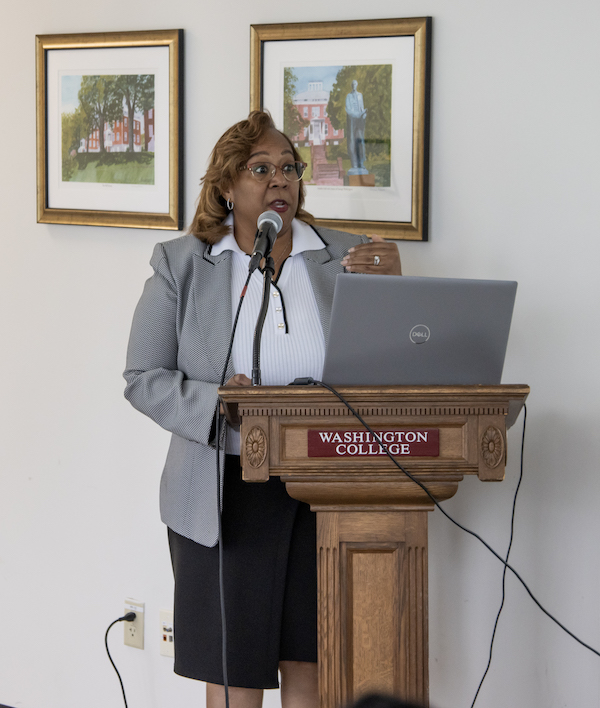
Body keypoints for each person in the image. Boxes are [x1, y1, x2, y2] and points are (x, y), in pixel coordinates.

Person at [123, 110, 401, 708]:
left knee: (313, 659)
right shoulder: (181, 265)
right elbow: (142, 378)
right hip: (224, 490)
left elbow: (392, 365)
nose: (281, 178)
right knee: (234, 672)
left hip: (327, 483)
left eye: (289, 167)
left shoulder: (348, 257)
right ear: (226, 186)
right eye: (261, 168)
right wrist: (219, 402)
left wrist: (395, 293)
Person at [345, 80, 368, 173]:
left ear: (357, 85)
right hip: (352, 121)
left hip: (359, 121)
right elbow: (348, 109)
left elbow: (361, 107)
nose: (354, 86)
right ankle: (354, 163)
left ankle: (361, 162)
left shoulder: (360, 95)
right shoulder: (348, 96)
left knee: (360, 140)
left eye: (355, 84)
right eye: (353, 84)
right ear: (351, 85)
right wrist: (357, 114)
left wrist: (363, 114)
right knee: (352, 141)